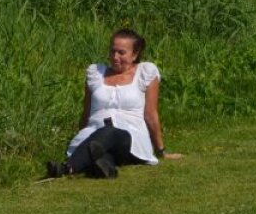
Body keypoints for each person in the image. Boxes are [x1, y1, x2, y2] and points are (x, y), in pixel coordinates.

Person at [46, 28, 177, 179]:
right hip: (95, 132)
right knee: (99, 147)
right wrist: (81, 134)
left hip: (129, 138)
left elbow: (150, 114)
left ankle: (66, 168)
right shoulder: (96, 73)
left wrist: (160, 150)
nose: (115, 57)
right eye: (112, 51)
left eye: (121, 53)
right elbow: (87, 112)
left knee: (110, 132)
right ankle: (105, 167)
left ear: (134, 54)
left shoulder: (145, 72)